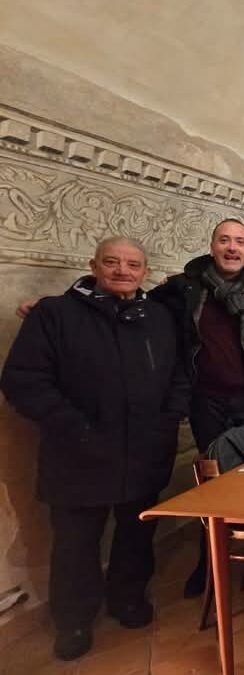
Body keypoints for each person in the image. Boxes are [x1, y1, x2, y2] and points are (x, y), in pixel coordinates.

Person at [1, 237, 188, 660]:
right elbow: (23, 381)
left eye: (133, 264)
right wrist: (75, 426)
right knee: (75, 543)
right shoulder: (55, 314)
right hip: (77, 454)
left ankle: (128, 598)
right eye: (112, 262)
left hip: (143, 450)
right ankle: (74, 620)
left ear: (145, 271)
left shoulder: (158, 317)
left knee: (136, 534)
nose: (123, 271)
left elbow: (180, 373)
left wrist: (168, 418)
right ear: (93, 265)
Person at [151, 218, 244, 597]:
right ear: (212, 245)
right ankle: (209, 559)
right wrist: (63, 304)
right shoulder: (184, 290)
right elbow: (128, 297)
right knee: (213, 484)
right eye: (225, 241)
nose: (232, 248)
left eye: (240, 242)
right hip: (207, 402)